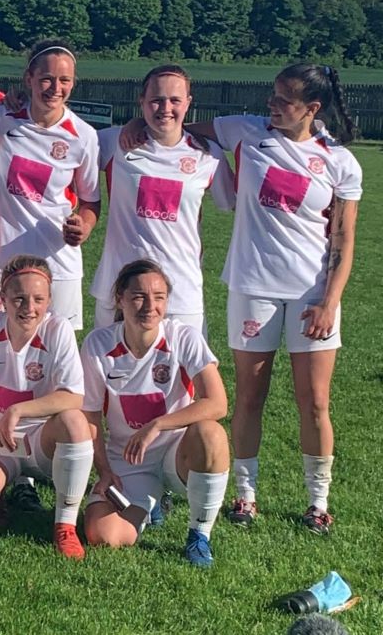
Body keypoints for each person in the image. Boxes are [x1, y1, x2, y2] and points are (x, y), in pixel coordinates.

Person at [125, 63, 361, 534]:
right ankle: (246, 495)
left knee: (314, 401)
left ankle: (318, 501)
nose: (272, 105)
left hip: (312, 296)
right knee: (249, 398)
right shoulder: (245, 131)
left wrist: (330, 302)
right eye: (272, 95)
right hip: (252, 289)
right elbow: (177, 123)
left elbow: (344, 238)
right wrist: (135, 123)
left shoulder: (339, 161)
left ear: (311, 110)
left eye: (284, 100)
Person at [81, 260, 229, 567]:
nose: (150, 306)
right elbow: (90, 418)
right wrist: (104, 471)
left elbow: (218, 403)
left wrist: (157, 424)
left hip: (178, 454)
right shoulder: (99, 344)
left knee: (211, 432)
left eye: (159, 297)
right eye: (138, 296)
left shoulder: (183, 337)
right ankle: (150, 505)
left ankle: (199, 535)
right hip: (130, 458)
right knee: (103, 535)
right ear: (119, 298)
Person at [0, 40, 101, 329]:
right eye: (46, 79)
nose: (55, 88)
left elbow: (91, 201)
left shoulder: (84, 135)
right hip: (0, 260)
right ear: (29, 79)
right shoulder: (3, 115)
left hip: (58, 262)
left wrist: (85, 227)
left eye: (64, 80)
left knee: (53, 354)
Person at [0, 256, 92, 560]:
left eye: (38, 299)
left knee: (74, 422)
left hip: (41, 442)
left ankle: (65, 525)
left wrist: (18, 411)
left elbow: (73, 396)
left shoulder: (58, 330)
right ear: (2, 299)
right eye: (18, 298)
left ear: (49, 301)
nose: (28, 308)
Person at [91, 65, 233, 329]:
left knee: (185, 370)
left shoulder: (208, 155)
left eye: (175, 100)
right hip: (118, 288)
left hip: (181, 293)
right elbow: (60, 142)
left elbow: (237, 203)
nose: (165, 108)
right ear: (141, 102)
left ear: (188, 103)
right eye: (156, 100)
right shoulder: (114, 142)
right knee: (110, 369)